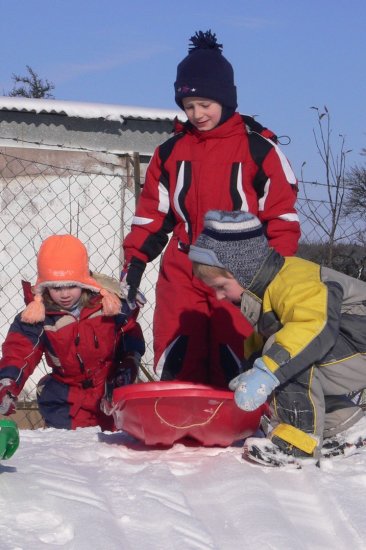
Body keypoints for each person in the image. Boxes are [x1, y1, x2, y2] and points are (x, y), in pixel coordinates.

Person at [123, 29, 300, 387]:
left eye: (205, 104)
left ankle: (235, 425)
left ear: (226, 99)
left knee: (234, 355)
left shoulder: (258, 150)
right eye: (189, 107)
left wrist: (271, 272)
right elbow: (152, 216)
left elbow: (282, 218)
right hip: (182, 268)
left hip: (238, 272)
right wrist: (136, 262)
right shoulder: (170, 152)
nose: (197, 114)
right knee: (178, 354)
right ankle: (176, 422)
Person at [188, 209, 366, 466]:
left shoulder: (293, 281)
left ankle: (297, 444)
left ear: (242, 272)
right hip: (352, 343)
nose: (218, 297)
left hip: (358, 338)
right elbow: (265, 344)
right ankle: (347, 426)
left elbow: (311, 328)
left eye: (220, 287)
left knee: (286, 355)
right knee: (276, 356)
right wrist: (251, 367)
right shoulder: (270, 290)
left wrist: (266, 370)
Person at [0, 235, 145, 431]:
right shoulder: (40, 317)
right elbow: (20, 352)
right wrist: (8, 382)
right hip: (65, 402)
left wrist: (130, 360)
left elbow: (128, 330)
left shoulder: (105, 305)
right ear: (45, 286)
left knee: (114, 453)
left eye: (71, 285)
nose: (65, 294)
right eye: (56, 287)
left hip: (109, 393)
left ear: (84, 282)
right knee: (68, 454)